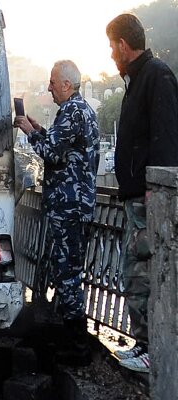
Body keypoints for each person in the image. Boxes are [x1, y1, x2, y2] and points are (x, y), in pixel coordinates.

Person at [14, 60, 99, 363]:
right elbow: (64, 146)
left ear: (66, 84)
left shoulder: (71, 111)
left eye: (52, 82)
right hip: (77, 206)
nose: (49, 87)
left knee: (67, 276)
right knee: (69, 273)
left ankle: (77, 346)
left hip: (68, 208)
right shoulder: (83, 110)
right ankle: (72, 339)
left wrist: (27, 131)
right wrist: (40, 129)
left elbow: (51, 152)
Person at [106, 13, 178, 373]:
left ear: (122, 45)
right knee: (133, 272)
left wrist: (154, 194)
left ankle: (152, 348)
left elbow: (165, 140)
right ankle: (143, 343)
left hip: (147, 200)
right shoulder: (138, 80)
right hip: (135, 197)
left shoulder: (157, 76)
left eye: (111, 47)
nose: (110, 55)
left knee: (144, 274)